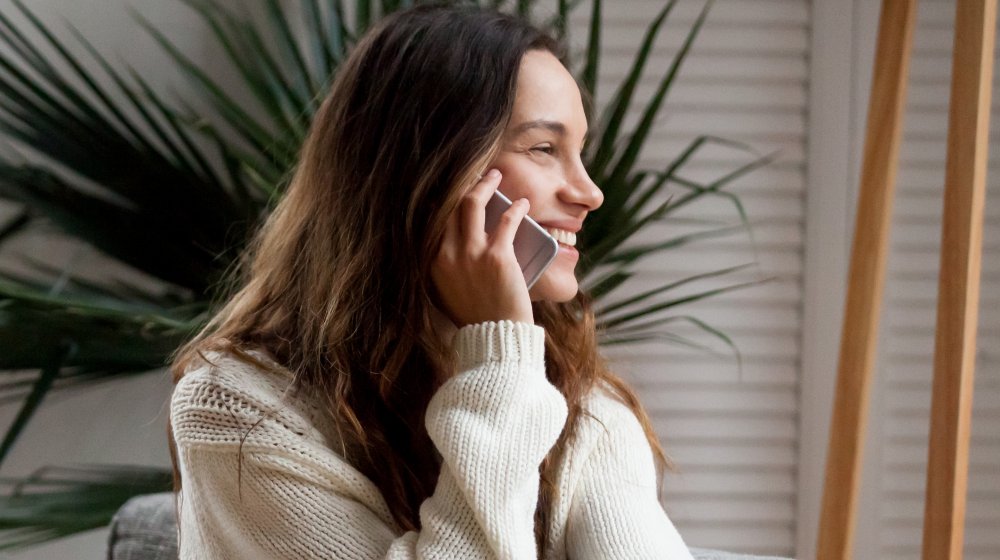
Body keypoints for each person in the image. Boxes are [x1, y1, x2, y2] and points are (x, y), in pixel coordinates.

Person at [168, 3, 695, 559]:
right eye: (544, 149)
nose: (589, 193)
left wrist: (505, 361)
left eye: (578, 153)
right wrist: (498, 361)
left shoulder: (585, 407)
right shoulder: (236, 410)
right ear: (428, 172)